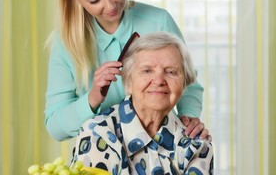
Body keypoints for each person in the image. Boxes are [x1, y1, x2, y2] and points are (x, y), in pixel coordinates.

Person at [45, 0, 209, 141]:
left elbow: (188, 83)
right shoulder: (65, 43)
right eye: (94, 0)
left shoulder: (158, 21)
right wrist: (93, 97)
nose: (110, 5)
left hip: (161, 148)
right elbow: (55, 127)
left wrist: (189, 117)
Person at [71, 32, 214, 174]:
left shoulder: (197, 145)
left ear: (184, 85)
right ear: (128, 82)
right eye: (147, 71)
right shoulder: (97, 133)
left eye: (171, 72)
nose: (158, 81)